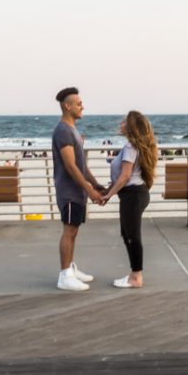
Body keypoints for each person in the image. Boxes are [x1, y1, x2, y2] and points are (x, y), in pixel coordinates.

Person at [51, 87, 105, 291]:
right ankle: (64, 275)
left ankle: (71, 269)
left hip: (77, 191)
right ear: (68, 106)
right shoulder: (63, 130)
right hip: (69, 191)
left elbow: (82, 165)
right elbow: (70, 166)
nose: (83, 106)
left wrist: (95, 183)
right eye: (79, 103)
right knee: (69, 230)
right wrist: (90, 190)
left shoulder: (72, 130)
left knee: (74, 231)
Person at [102, 111, 158, 289]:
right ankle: (135, 274)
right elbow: (125, 176)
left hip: (133, 195)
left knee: (132, 236)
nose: (121, 123)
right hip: (135, 194)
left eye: (124, 121)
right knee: (127, 235)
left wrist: (108, 194)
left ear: (131, 126)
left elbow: (125, 176)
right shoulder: (135, 146)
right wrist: (110, 190)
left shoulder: (130, 148)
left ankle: (136, 277)